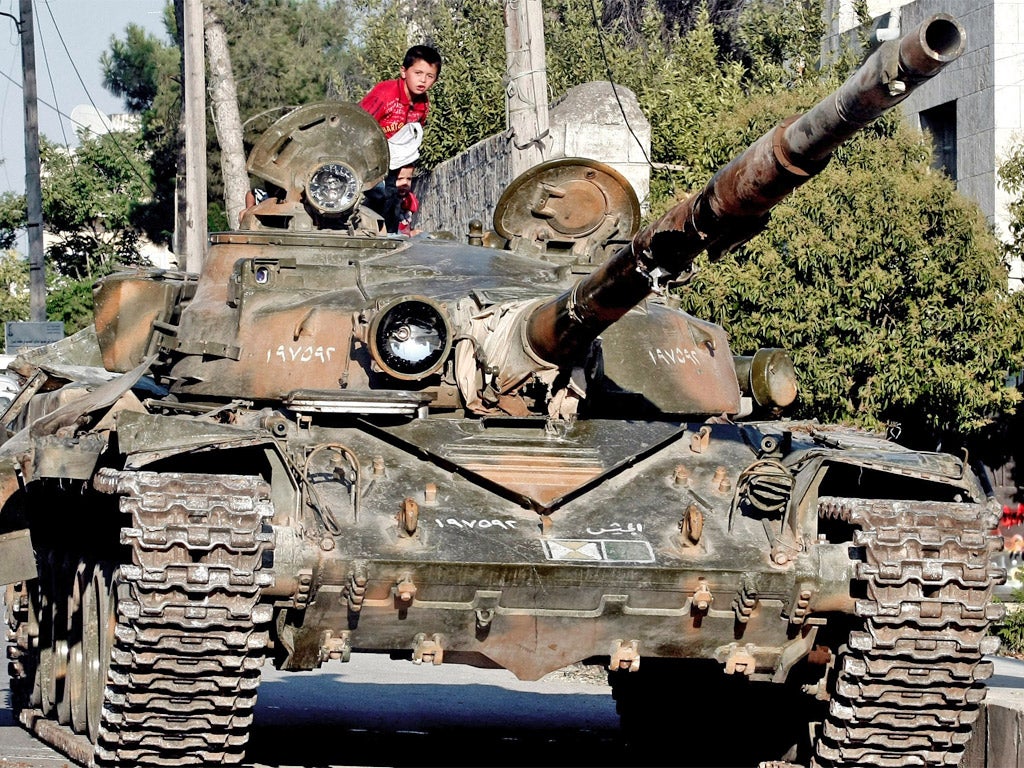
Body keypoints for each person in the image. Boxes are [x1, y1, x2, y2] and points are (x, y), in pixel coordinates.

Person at [359, 45, 441, 138]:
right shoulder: (385, 94)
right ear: (403, 72)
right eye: (418, 73)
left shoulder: (423, 103)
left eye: (430, 76)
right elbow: (358, 123)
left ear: (435, 80)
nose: (423, 80)